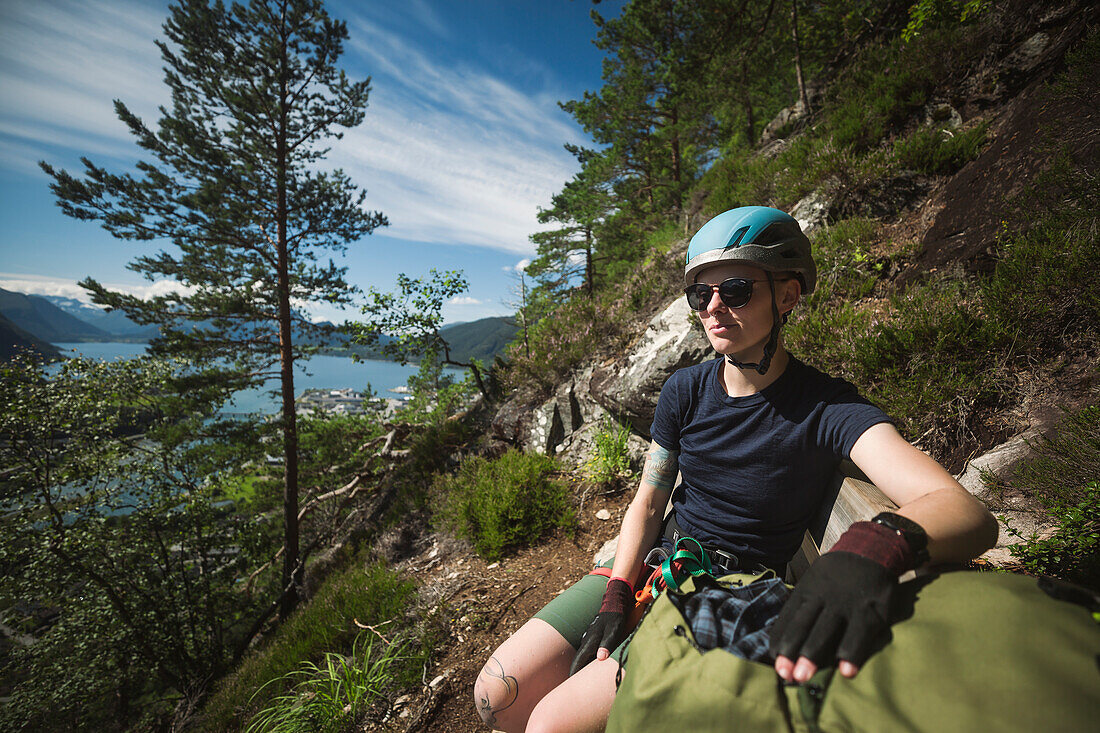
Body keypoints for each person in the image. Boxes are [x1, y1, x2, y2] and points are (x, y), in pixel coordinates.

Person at [473, 206, 998, 733]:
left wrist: (873, 549)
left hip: (728, 594)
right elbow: (650, 501)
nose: (715, 307)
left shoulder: (827, 408)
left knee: (550, 725)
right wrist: (616, 592)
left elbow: (963, 510)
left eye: (737, 289)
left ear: (787, 295)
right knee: (497, 695)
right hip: (658, 565)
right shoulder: (685, 390)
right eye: (701, 294)